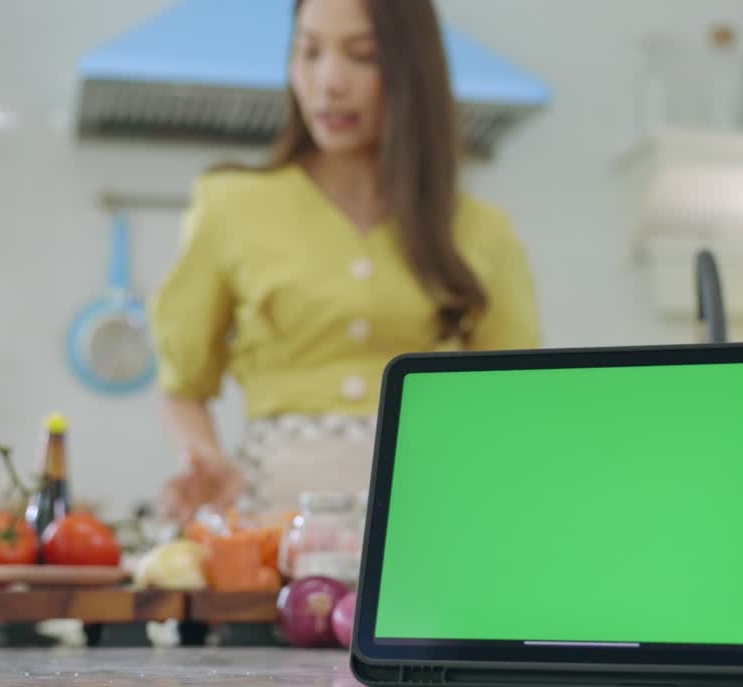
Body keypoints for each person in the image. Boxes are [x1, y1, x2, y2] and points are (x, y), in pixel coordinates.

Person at [151, 0, 539, 522]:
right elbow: (183, 386)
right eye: (308, 51)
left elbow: (512, 402)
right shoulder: (230, 204)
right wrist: (203, 457)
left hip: (428, 522)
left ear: (412, 70)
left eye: (364, 56)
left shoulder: (482, 230)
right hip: (276, 527)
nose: (328, 82)